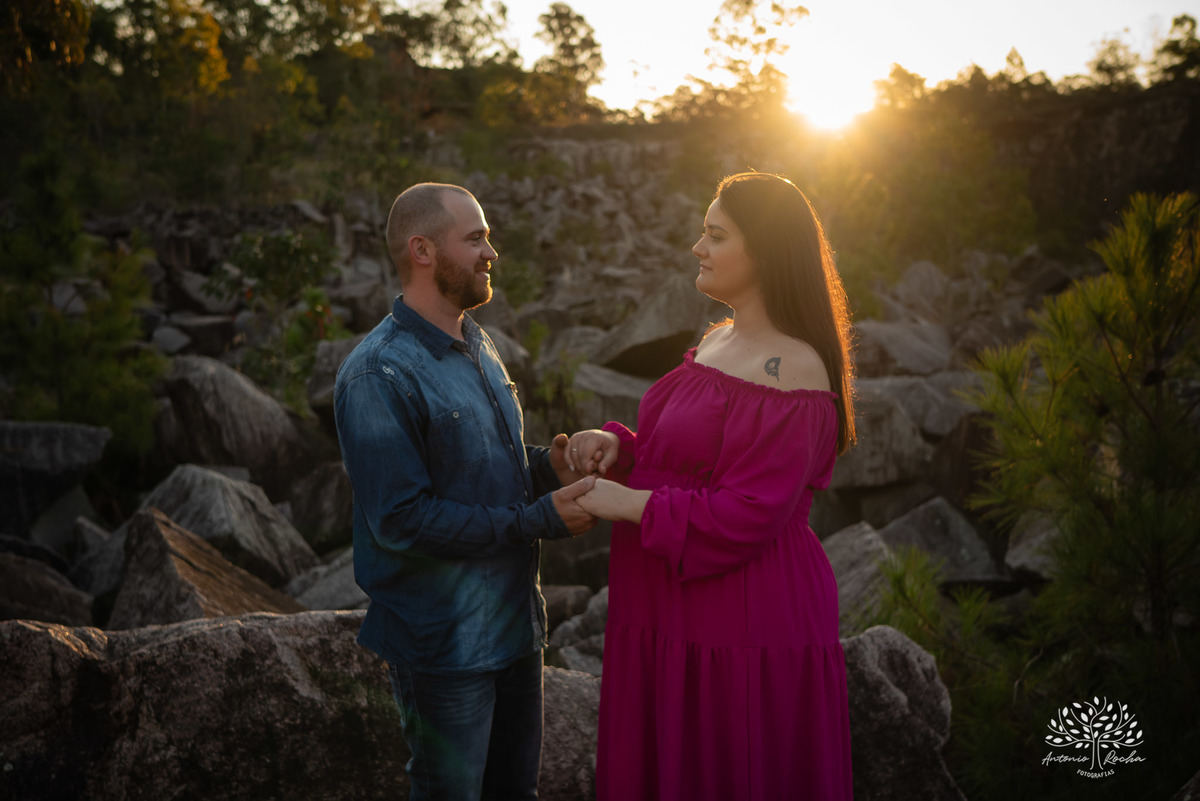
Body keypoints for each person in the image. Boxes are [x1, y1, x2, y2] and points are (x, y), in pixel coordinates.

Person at [566, 172, 857, 800]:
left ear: (767, 252)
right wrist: (621, 451)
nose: (698, 247)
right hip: (668, 600)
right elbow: (693, 462)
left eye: (715, 234)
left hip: (740, 612)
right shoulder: (719, 340)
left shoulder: (793, 365)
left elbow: (753, 508)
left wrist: (631, 503)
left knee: (729, 769)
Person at [333, 182, 597, 801]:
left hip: (515, 632)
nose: (490, 252)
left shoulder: (477, 343)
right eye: (475, 237)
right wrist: (539, 518)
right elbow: (401, 521)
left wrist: (549, 467)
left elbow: (486, 472)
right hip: (444, 649)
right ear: (422, 250)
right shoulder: (377, 374)